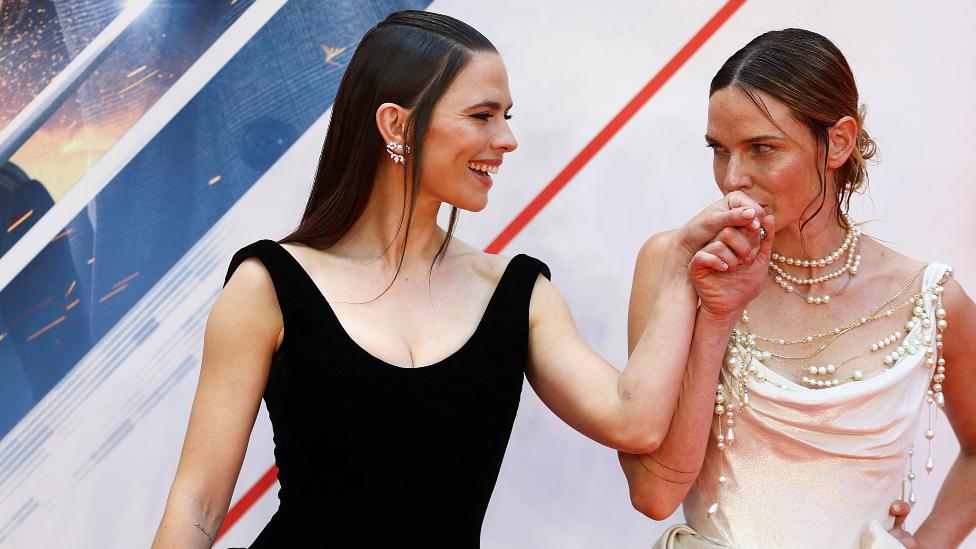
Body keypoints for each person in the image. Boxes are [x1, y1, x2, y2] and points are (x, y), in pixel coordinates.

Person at [150, 11, 766, 548]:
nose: (506, 139)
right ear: (396, 126)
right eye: (482, 115)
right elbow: (199, 503)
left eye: (507, 116)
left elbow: (633, 421)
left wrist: (686, 272)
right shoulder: (269, 286)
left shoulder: (517, 293)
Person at [619, 28, 976, 548]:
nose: (732, 178)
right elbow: (653, 494)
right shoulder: (676, 263)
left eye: (762, 149)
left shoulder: (928, 299)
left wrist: (926, 544)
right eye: (719, 150)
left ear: (838, 141)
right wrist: (715, 319)